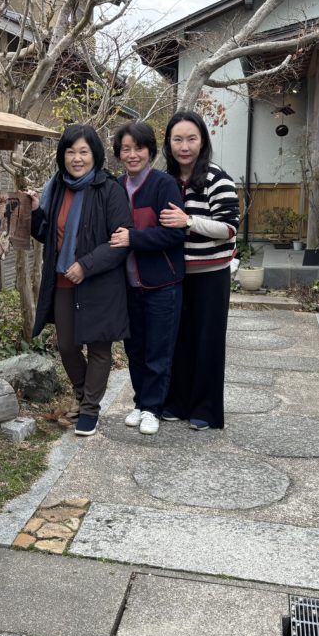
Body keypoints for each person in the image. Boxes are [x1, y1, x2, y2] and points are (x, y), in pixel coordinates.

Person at [28, 124, 132, 438]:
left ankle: (89, 410)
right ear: (62, 155)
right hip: (62, 279)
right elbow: (47, 235)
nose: (77, 158)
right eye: (70, 151)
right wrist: (36, 211)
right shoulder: (57, 188)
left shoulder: (109, 189)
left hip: (99, 280)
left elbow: (121, 241)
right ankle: (82, 393)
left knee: (99, 346)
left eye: (83, 152)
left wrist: (86, 266)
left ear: (95, 155)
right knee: (66, 344)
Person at [159, 110, 240, 430]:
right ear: (168, 143)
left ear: (202, 141)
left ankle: (205, 410)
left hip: (210, 274)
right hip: (175, 274)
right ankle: (176, 403)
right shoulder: (166, 179)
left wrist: (189, 221)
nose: (184, 146)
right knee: (178, 340)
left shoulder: (217, 178)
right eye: (177, 139)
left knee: (208, 341)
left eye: (191, 139)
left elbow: (229, 228)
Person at [108, 122, 185, 436]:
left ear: (150, 151)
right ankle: (140, 403)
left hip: (162, 283)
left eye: (138, 148)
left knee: (158, 350)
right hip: (127, 285)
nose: (132, 154)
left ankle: (153, 408)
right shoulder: (115, 187)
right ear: (118, 154)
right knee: (135, 349)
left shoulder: (163, 185)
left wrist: (134, 238)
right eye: (126, 149)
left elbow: (175, 233)